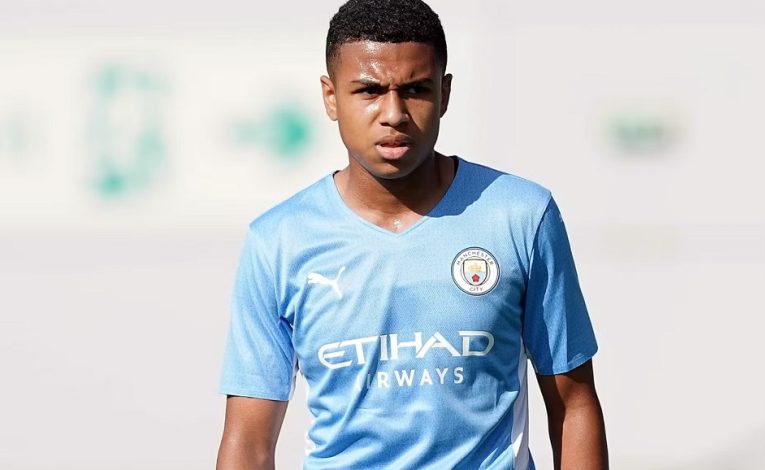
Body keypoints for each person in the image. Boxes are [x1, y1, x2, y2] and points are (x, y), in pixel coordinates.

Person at [216, 0, 608, 468]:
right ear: (331, 97)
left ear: (444, 93)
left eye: (415, 90)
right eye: (369, 91)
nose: (394, 113)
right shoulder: (278, 240)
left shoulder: (521, 215)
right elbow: (249, 440)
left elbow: (574, 403)